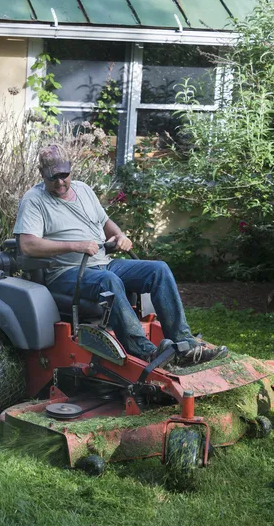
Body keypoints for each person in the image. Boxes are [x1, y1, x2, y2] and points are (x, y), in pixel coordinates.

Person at [13, 144, 228, 366]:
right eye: (53, 177)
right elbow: (28, 245)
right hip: (65, 273)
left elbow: (105, 222)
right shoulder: (34, 200)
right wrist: (76, 245)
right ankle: (145, 352)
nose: (60, 182)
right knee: (109, 281)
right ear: (42, 174)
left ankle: (185, 345)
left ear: (70, 170)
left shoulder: (83, 190)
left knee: (159, 270)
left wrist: (119, 235)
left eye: (64, 175)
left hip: (103, 263)